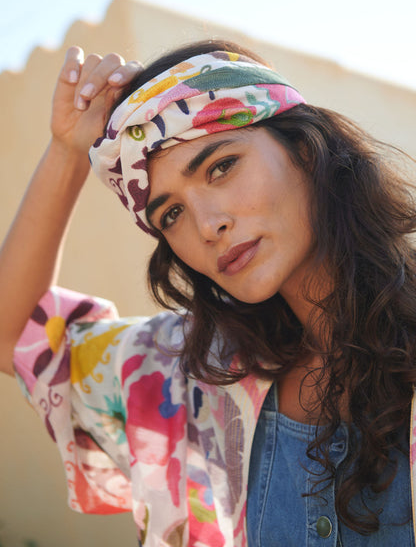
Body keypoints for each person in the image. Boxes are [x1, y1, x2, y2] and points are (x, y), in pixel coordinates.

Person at [1, 39, 416, 547]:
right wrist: (67, 150)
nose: (206, 225)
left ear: (305, 151)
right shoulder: (195, 380)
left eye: (221, 167)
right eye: (171, 213)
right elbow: (14, 336)